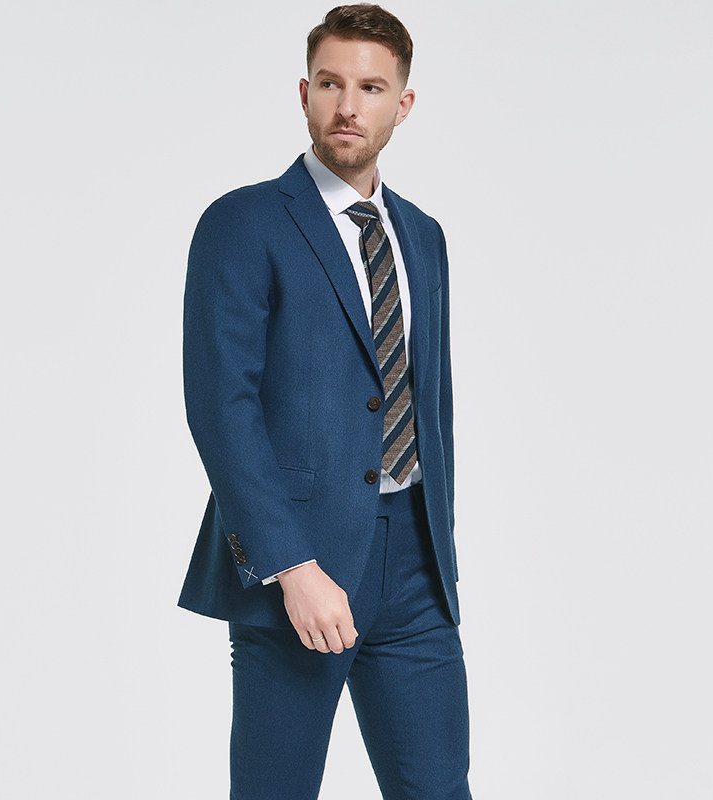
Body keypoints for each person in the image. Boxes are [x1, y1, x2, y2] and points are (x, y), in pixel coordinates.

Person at [178, 4, 472, 798]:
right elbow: (221, 406)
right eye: (331, 84)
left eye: (371, 88)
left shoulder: (423, 235)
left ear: (402, 104)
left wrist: (439, 554)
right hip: (299, 560)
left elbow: (428, 401)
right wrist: (290, 565)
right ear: (304, 93)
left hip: (416, 567)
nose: (348, 106)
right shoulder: (243, 223)